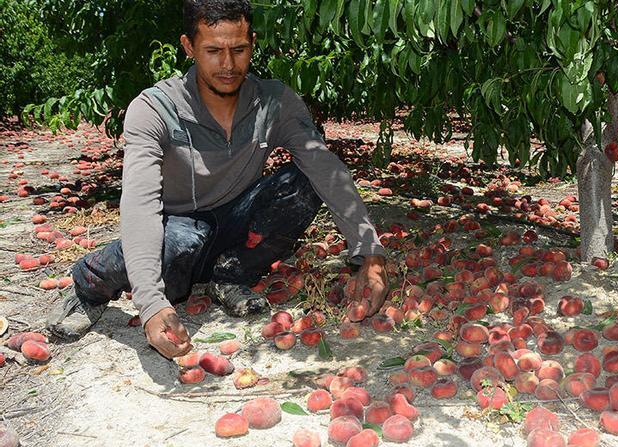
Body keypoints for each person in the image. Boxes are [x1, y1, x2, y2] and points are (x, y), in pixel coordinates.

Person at [46, 0, 389, 359]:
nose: (228, 65)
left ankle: (231, 276)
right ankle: (88, 286)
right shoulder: (154, 109)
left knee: (302, 183)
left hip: (235, 217)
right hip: (177, 226)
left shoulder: (274, 102)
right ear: (188, 46)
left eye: (239, 50)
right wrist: (149, 302)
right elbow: (140, 203)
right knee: (177, 245)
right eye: (212, 51)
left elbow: (325, 168)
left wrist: (369, 251)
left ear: (252, 44)